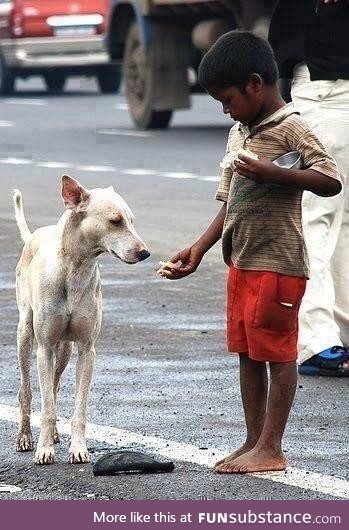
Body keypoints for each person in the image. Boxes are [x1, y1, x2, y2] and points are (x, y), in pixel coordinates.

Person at [161, 31, 341, 474]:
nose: (225, 109)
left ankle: (272, 447)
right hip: (241, 261)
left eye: (227, 99)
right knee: (247, 352)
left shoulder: (293, 125)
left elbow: (330, 178)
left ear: (255, 84)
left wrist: (276, 176)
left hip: (278, 264)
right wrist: (199, 249)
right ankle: (253, 439)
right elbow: (231, 199)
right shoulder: (239, 131)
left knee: (278, 355)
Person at [269, 0, 349, 376]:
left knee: (344, 218)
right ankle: (316, 340)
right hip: (327, 88)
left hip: (335, 83)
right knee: (319, 215)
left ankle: (338, 330)